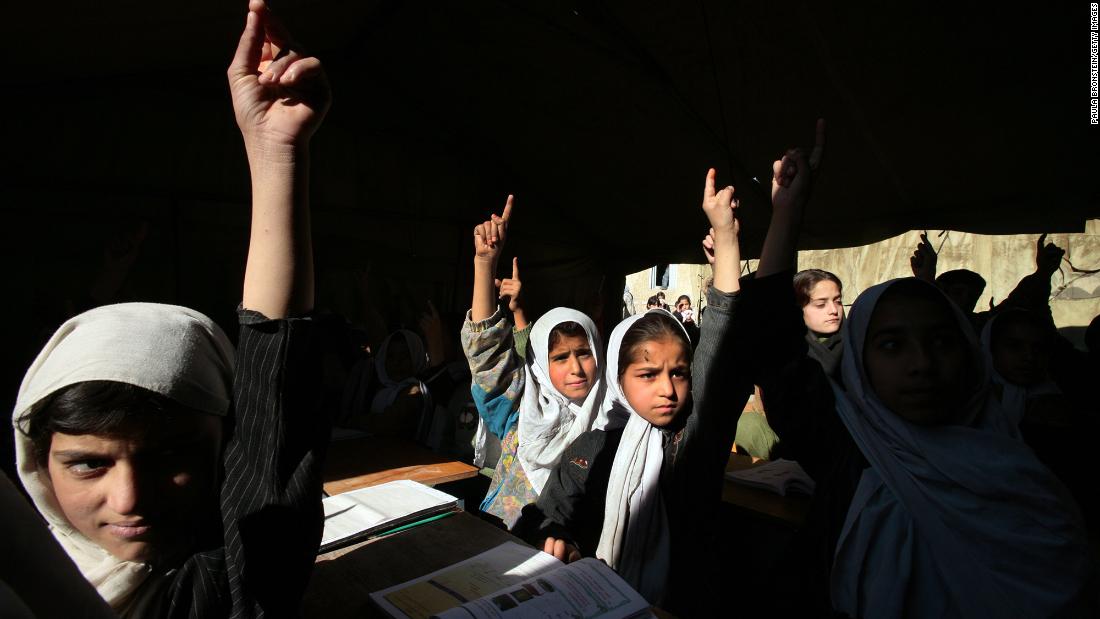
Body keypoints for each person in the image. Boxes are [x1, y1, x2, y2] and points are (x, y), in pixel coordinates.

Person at [11, 2, 332, 615]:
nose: (129, 498)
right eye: (85, 464)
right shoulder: (24, 578)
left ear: (226, 441)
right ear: (34, 459)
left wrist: (276, 157)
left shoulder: (218, 589)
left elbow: (276, 400)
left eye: (170, 456)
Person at [749, 120, 1096, 617]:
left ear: (973, 356)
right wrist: (788, 210)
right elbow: (772, 343)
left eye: (941, 341)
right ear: (861, 366)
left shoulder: (1027, 475)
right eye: (891, 344)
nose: (922, 363)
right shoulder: (854, 449)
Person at [517, 168, 749, 613]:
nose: (667, 389)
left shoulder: (691, 442)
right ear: (618, 381)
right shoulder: (593, 447)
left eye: (679, 372)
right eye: (648, 375)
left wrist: (726, 241)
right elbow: (547, 513)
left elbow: (725, 347)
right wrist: (555, 538)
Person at [460, 197, 607, 529]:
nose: (576, 368)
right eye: (560, 357)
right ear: (540, 365)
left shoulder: (611, 421)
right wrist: (485, 264)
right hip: (502, 548)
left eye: (584, 353)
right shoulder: (520, 414)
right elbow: (486, 356)